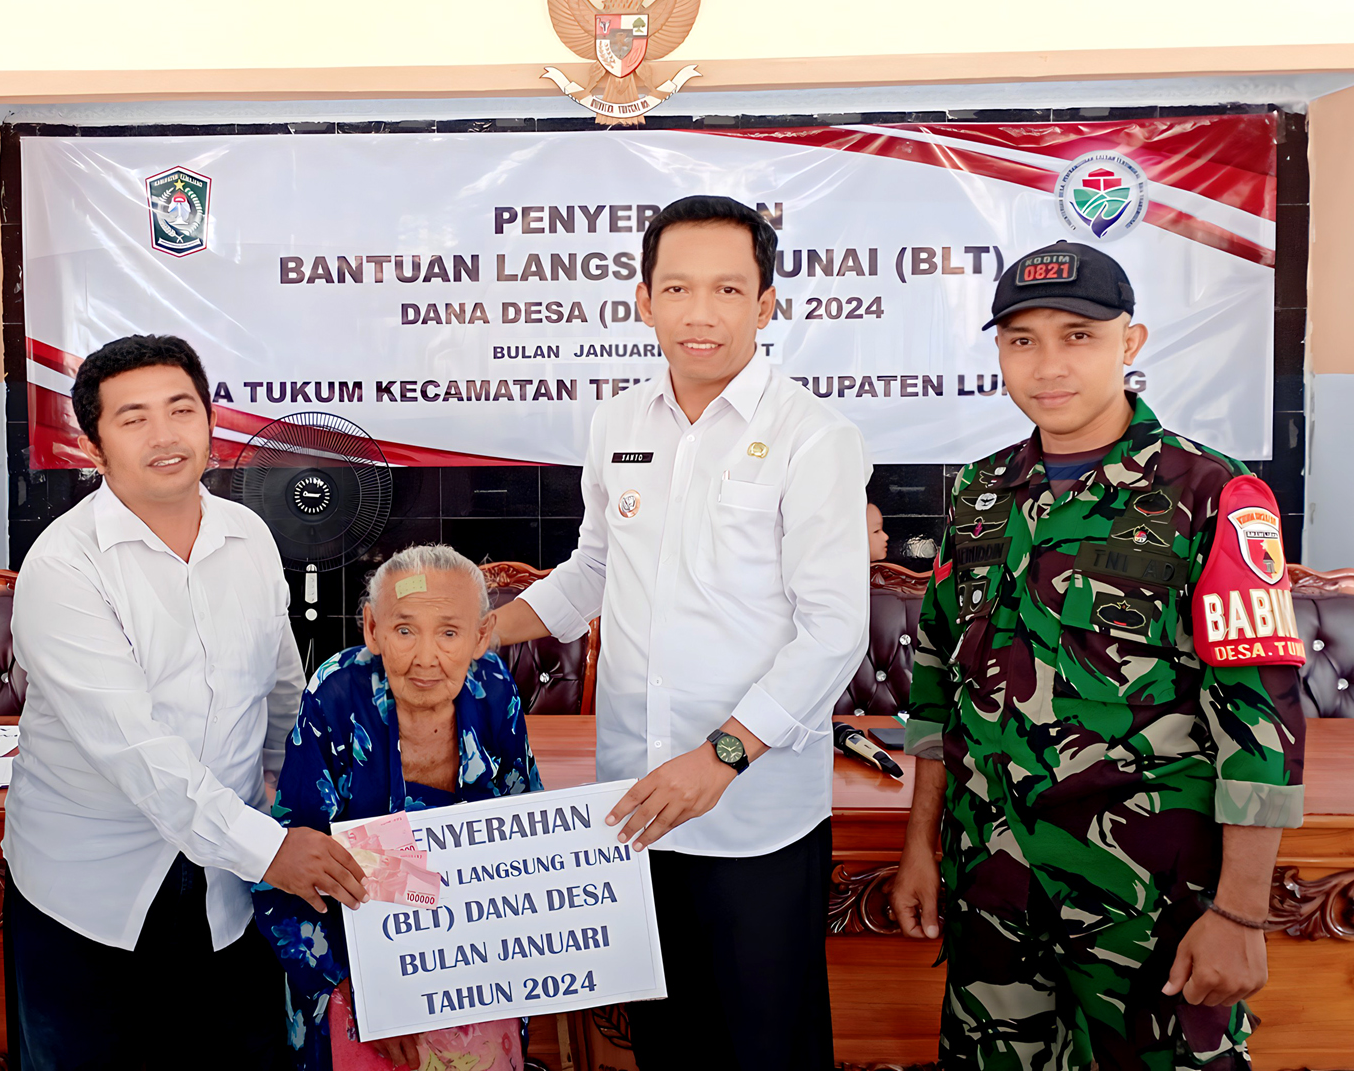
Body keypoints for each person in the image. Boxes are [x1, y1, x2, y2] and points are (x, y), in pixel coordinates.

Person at [889, 241, 1308, 1071]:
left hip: (1150, 903)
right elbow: (938, 687)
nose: (1048, 365)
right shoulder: (978, 495)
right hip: (994, 887)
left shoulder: (1211, 493)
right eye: (1022, 340)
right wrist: (919, 847)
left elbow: (1262, 720)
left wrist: (1240, 914)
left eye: (1078, 335)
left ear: (1131, 342)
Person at [492, 194, 872, 1070]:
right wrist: (485, 631)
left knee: (764, 1050)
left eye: (728, 290)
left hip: (754, 812)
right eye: (678, 289)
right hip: (639, 804)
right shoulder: (618, 422)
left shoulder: (814, 436)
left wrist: (723, 756)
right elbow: (595, 568)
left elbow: (834, 630)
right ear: (644, 300)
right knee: (667, 1047)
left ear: (766, 305)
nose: (701, 314)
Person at [3, 334, 369, 1071]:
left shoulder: (249, 537)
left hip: (231, 888)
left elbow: (281, 694)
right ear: (93, 446)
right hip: (92, 893)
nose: (165, 436)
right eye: (133, 418)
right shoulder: (65, 565)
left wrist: (311, 804)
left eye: (181, 410)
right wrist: (273, 848)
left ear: (210, 421)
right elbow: (134, 752)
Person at [255, 544, 542, 1071]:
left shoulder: (493, 691)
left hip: (473, 962)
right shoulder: (338, 696)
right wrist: (368, 994)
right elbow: (289, 863)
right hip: (351, 969)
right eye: (405, 630)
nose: (426, 657)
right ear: (372, 629)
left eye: (449, 633)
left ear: (481, 636)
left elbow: (528, 833)